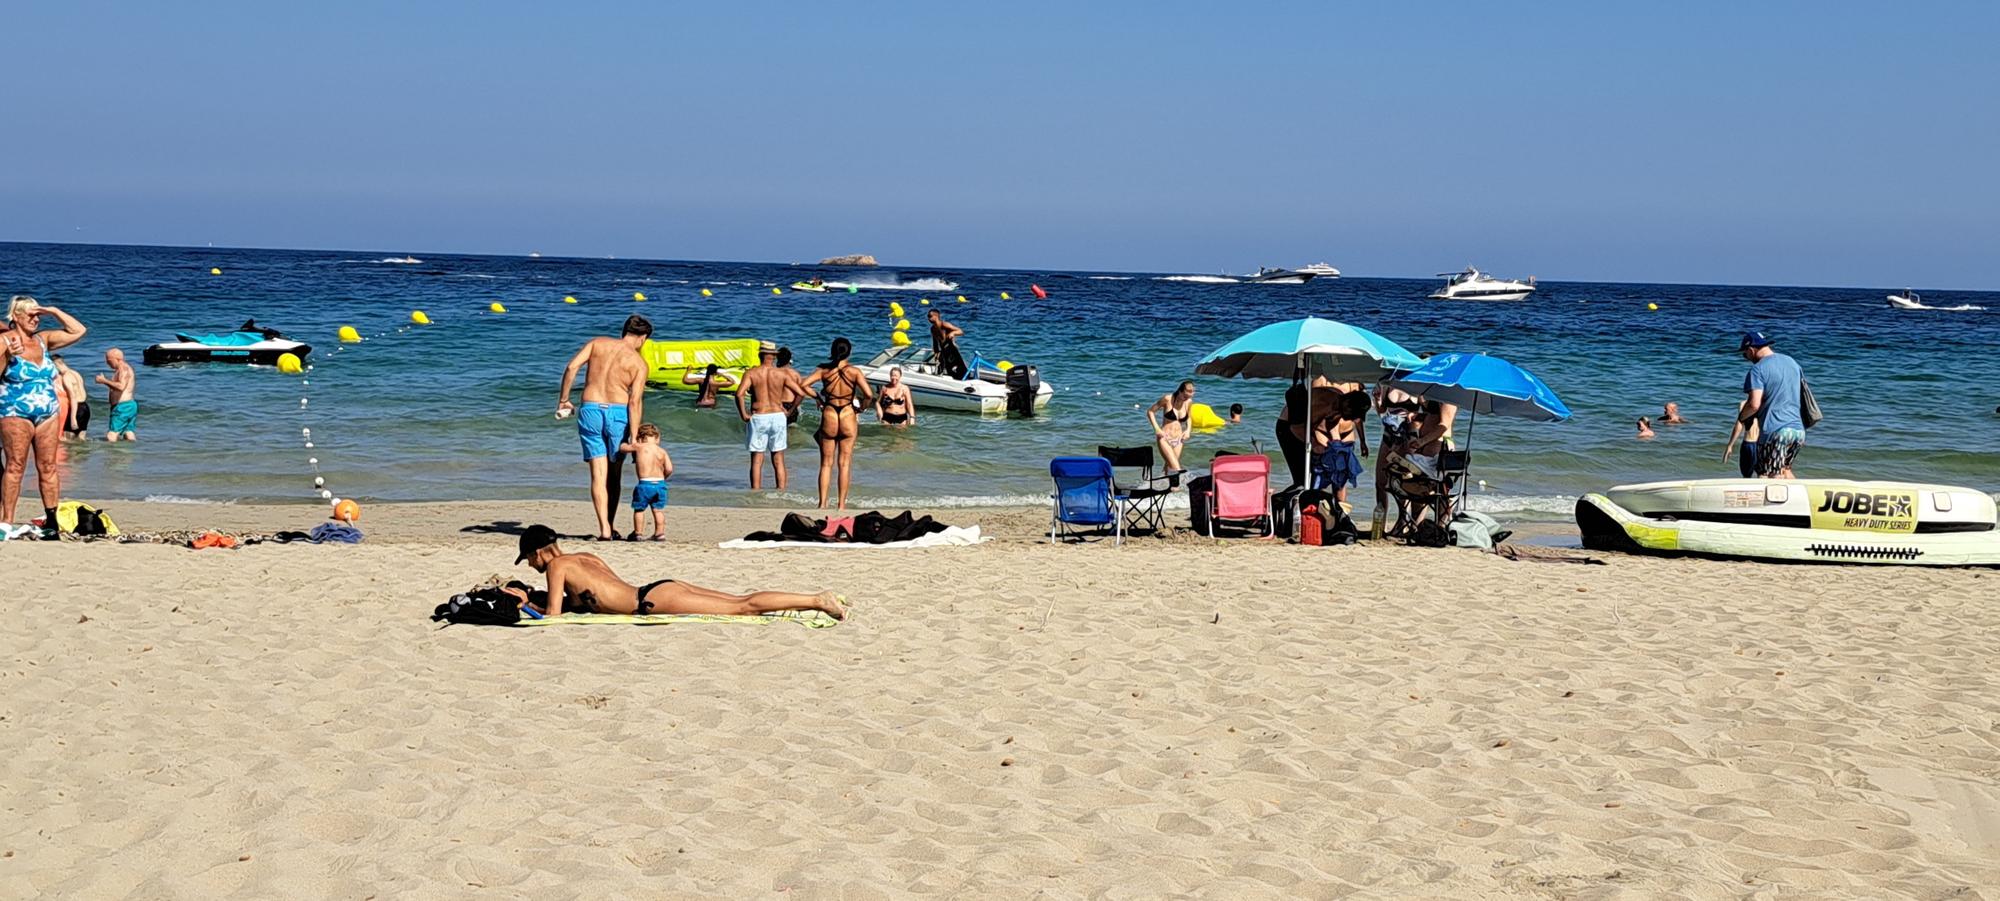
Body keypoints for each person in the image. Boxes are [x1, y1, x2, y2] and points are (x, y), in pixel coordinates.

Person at [505, 525, 846, 619]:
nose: (533, 568)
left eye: (529, 560)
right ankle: (813, 599)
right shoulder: (585, 556)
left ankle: (816, 600)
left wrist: (524, 604)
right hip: (658, 588)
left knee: (743, 607)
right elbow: (593, 597)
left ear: (538, 553)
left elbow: (553, 616)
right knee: (739, 601)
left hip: (651, 603)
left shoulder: (557, 566)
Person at [556, 315, 651, 540]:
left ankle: (604, 530)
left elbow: (571, 367)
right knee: (614, 474)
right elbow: (635, 401)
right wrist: (635, 437)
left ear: (624, 330)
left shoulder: (597, 343)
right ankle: (610, 522)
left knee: (598, 475)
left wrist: (564, 399)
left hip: (590, 409)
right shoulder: (639, 363)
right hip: (618, 413)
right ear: (643, 338)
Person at [1, 296, 87, 528]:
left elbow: (78, 331)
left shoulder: (42, 340)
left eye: (38, 315)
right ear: (15, 316)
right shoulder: (5, 340)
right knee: (15, 465)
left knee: (48, 466)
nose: (36, 319)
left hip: (48, 412)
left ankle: (51, 521)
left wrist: (54, 311)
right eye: (30, 314)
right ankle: (6, 522)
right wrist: (8, 355)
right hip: (15, 410)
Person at [1725, 331, 1805, 479]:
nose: (1746, 358)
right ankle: (1803, 498)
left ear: (1751, 350)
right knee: (1785, 470)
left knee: (1768, 475)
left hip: (1775, 431)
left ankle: (1770, 502)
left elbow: (1754, 404)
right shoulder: (1792, 362)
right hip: (1798, 431)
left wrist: (1742, 417)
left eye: (1745, 354)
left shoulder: (1758, 369)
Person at [806, 337, 873, 509]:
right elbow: (869, 395)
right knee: (844, 463)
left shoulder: (823, 370)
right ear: (849, 352)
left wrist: (818, 398)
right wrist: (862, 409)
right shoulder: (855, 372)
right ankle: (841, 504)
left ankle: (822, 504)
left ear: (832, 351)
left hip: (829, 413)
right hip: (847, 413)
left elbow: (802, 384)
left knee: (826, 463)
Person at [734, 341, 797, 491]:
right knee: (778, 458)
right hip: (777, 415)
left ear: (759, 355)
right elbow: (800, 392)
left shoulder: (751, 373)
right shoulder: (781, 373)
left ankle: (756, 491)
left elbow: (739, 394)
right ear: (774, 356)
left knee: (757, 460)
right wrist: (790, 410)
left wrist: (743, 413)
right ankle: (781, 490)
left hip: (759, 415)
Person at [1310, 390, 1372, 506]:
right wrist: (1319, 441)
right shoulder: (1331, 394)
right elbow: (1315, 420)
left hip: (1346, 435)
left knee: (1341, 477)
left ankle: (1341, 509)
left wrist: (1363, 441)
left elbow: (1357, 418)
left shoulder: (1357, 387)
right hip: (1324, 433)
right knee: (1323, 473)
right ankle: (1318, 505)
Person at [620, 422, 673, 541]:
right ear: (657, 438)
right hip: (660, 484)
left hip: (645, 484)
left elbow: (623, 448)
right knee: (658, 510)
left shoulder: (639, 446)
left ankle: (638, 533)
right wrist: (663, 477)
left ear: (640, 438)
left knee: (639, 509)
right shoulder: (662, 451)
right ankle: (660, 533)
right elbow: (669, 469)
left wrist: (624, 442)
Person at [1147, 380, 1196, 474]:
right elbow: (1150, 412)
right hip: (1165, 438)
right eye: (1185, 396)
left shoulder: (1188, 402)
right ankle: (1177, 487)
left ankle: (1161, 484)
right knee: (1176, 469)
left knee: (1169, 468)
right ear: (1180, 391)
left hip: (1179, 440)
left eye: (1189, 396)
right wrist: (1157, 429)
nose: (1186, 399)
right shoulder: (1167, 399)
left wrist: (1188, 430)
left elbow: (1189, 417)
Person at [1273, 371, 1309, 489]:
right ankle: (1281, 502)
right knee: (1301, 479)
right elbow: (1296, 428)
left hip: (1289, 425)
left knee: (1302, 478)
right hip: (1288, 428)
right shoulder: (1311, 390)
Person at [95, 348, 138, 441]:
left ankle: (111, 455)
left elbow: (121, 387)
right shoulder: (122, 369)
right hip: (128, 406)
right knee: (128, 433)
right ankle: (130, 454)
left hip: (123, 407)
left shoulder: (124, 369)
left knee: (111, 435)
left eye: (109, 361)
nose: (107, 363)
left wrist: (104, 381)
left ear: (117, 359)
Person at [52, 356, 88, 440]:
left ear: (56, 365)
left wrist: (73, 418)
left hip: (77, 408)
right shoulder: (76, 373)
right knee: (81, 438)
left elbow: (73, 397)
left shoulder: (66, 377)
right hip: (85, 407)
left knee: (66, 439)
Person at [928, 310, 966, 379]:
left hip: (951, 350)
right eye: (928, 317)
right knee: (948, 370)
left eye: (930, 316)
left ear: (936, 316)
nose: (928, 319)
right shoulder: (932, 329)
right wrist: (936, 353)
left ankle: (964, 380)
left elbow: (961, 331)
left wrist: (953, 333)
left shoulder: (944, 324)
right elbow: (935, 343)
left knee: (959, 369)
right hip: (943, 351)